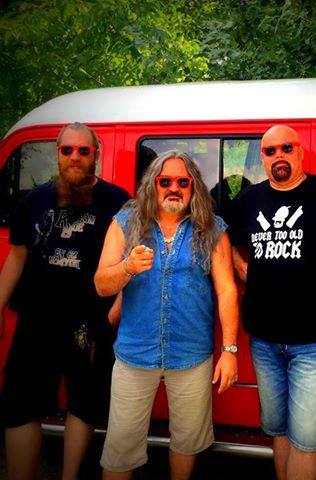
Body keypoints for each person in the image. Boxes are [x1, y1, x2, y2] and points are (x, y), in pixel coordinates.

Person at [228, 125, 316, 480]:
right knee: (277, 430)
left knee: (305, 439)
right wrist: (248, 272)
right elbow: (230, 247)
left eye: (286, 148)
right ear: (262, 158)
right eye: (270, 150)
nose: (279, 156)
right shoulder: (248, 201)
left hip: (314, 343)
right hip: (264, 340)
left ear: (300, 152)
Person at [94, 151, 239, 480]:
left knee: (186, 443)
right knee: (120, 448)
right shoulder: (126, 222)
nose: (174, 188)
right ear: (153, 184)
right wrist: (127, 267)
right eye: (166, 181)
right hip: (135, 353)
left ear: (193, 187)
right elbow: (101, 284)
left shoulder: (212, 228)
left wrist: (229, 350)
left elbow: (227, 290)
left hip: (191, 355)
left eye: (183, 182)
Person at [0, 122, 129, 480]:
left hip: (89, 323)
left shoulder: (118, 201)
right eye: (67, 149)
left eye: (83, 150)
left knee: (84, 405)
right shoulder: (35, 199)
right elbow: (16, 259)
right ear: (57, 153)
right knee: (19, 406)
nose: (75, 156)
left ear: (95, 155)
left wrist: (116, 311)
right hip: (36, 319)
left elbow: (130, 262)